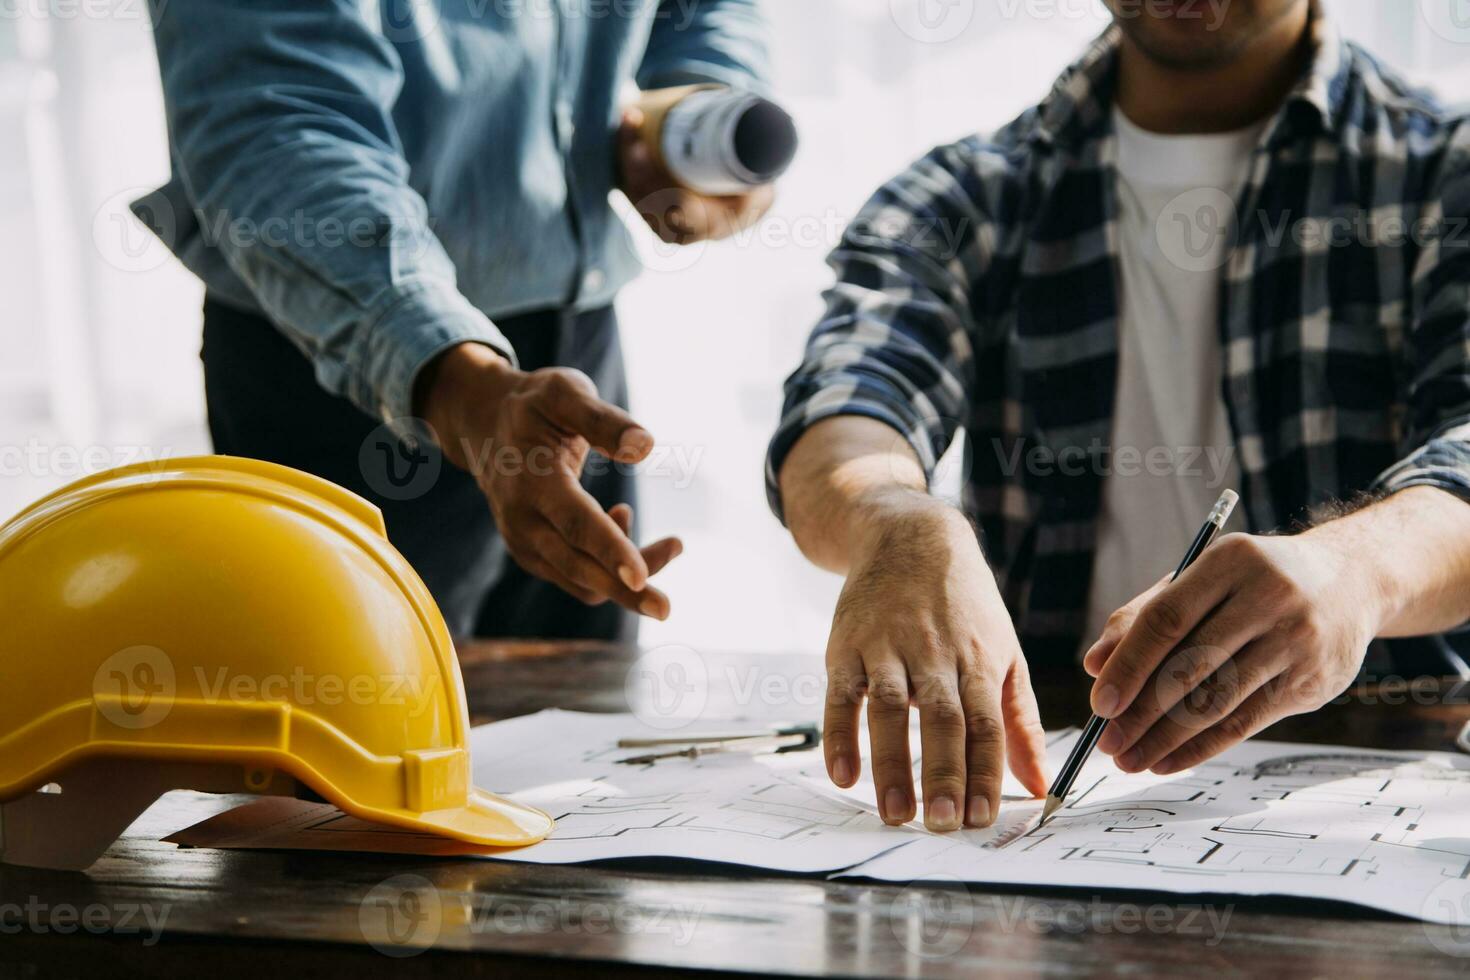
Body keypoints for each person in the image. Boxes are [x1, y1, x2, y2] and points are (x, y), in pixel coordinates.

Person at [768, 0, 1470, 833]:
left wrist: (1359, 571)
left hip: (1374, 805)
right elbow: (848, 400)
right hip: (1053, 801)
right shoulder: (966, 195)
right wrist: (892, 521)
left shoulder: (1443, 172)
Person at [135, 0, 773, 641]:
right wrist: (456, 384)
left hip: (573, 355)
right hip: (340, 355)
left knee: (583, 720)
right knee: (365, 713)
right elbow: (275, 121)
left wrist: (709, 106)